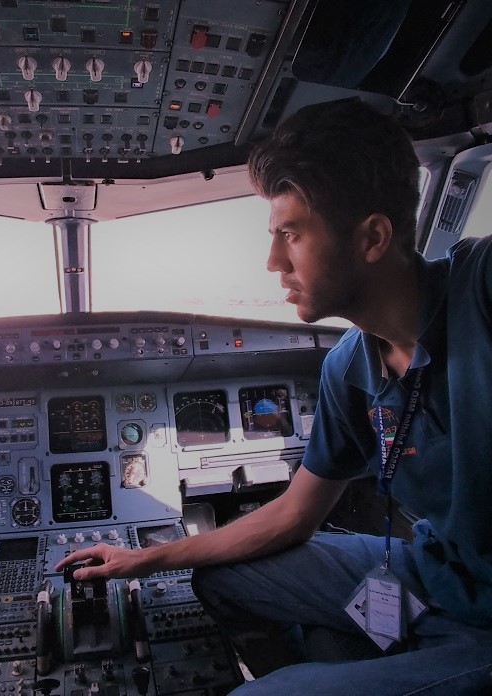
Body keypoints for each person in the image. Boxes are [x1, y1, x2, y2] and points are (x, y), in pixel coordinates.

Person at [56, 99, 492, 694]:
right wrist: (147, 559)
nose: (272, 262)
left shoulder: (482, 290)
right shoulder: (349, 367)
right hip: (431, 573)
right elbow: (294, 514)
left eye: (291, 234)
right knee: (217, 576)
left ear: (372, 237)